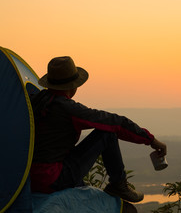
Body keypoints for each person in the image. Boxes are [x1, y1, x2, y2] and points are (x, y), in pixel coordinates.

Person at [30, 56, 167, 203]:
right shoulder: (69, 109)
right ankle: (118, 184)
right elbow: (116, 123)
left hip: (29, 177)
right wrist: (150, 140)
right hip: (53, 179)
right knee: (107, 134)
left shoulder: (36, 99)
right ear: (73, 86)